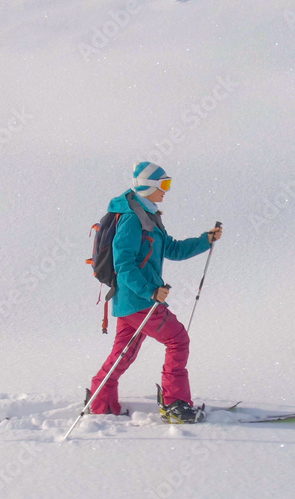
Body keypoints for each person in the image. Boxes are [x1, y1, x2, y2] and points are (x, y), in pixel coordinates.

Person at [88, 162, 223, 423]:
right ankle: (174, 404)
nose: (166, 191)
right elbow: (123, 264)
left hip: (132, 302)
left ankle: (100, 398)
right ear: (148, 187)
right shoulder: (131, 219)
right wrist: (151, 291)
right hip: (139, 300)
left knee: (124, 352)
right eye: (164, 185)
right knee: (178, 340)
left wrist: (204, 240)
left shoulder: (148, 215)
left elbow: (171, 249)